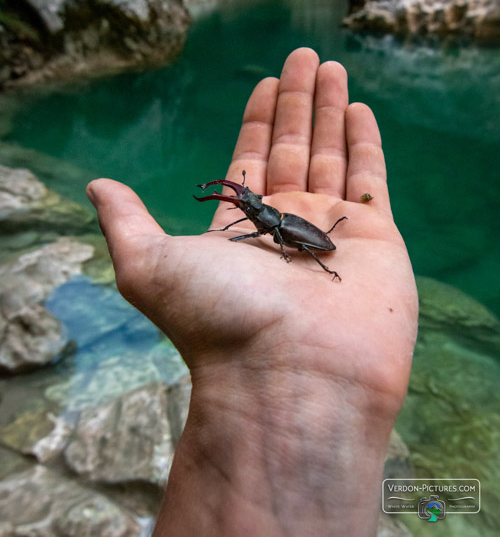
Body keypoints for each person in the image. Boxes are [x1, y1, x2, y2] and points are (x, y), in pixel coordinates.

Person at [87, 48, 418, 536]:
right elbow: (264, 226)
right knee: (280, 234)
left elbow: (286, 237)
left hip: (303, 236)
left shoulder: (274, 227)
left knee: (286, 238)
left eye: (247, 205)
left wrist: (277, 240)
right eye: (244, 205)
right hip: (296, 231)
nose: (244, 205)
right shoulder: (265, 221)